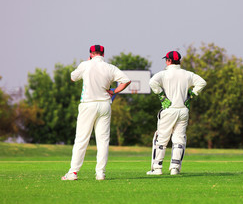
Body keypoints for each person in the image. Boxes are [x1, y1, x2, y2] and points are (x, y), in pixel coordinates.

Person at [62, 45, 131, 180]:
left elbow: (73, 77)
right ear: (103, 54)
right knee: (103, 140)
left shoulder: (85, 65)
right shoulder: (110, 67)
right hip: (105, 105)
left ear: (91, 54)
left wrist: (87, 61)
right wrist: (114, 91)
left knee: (82, 139)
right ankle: (100, 173)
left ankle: (73, 172)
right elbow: (126, 81)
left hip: (88, 105)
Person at [147, 51, 207, 175]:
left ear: (168, 61)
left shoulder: (164, 74)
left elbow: (152, 82)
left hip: (169, 109)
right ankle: (175, 168)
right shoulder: (187, 74)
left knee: (161, 139)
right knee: (179, 139)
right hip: (183, 109)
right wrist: (192, 94)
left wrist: (162, 96)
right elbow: (202, 82)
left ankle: (157, 168)